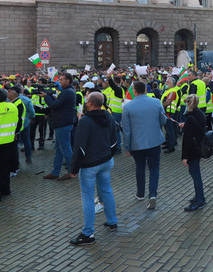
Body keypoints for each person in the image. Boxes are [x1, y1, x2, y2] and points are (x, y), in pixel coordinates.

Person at [69, 92, 118, 245]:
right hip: (106, 160)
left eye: (87, 99)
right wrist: (109, 154)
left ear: (90, 103)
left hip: (90, 164)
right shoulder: (108, 116)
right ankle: (112, 221)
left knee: (88, 198)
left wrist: (73, 168)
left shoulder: (85, 121)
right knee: (106, 190)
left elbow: (80, 147)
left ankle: (88, 233)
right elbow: (115, 139)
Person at [122, 81, 166, 210]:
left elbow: (126, 130)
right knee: (154, 168)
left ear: (134, 91)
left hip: (137, 143)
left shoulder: (128, 107)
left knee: (140, 167)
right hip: (154, 141)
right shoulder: (156, 102)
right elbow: (163, 120)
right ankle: (152, 194)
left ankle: (140, 193)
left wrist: (127, 147)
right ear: (146, 90)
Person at [41, 73, 79, 181]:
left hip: (63, 123)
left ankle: (72, 172)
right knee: (58, 148)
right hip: (62, 123)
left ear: (67, 81)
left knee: (66, 148)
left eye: (61, 80)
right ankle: (55, 172)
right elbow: (59, 90)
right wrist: (54, 84)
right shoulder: (68, 90)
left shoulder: (67, 93)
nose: (60, 81)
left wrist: (46, 96)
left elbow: (54, 105)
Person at [180, 94, 207, 211]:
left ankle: (200, 199)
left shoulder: (190, 118)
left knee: (195, 174)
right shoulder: (199, 114)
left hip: (193, 150)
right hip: (199, 147)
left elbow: (188, 140)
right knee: (196, 174)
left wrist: (185, 157)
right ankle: (199, 196)